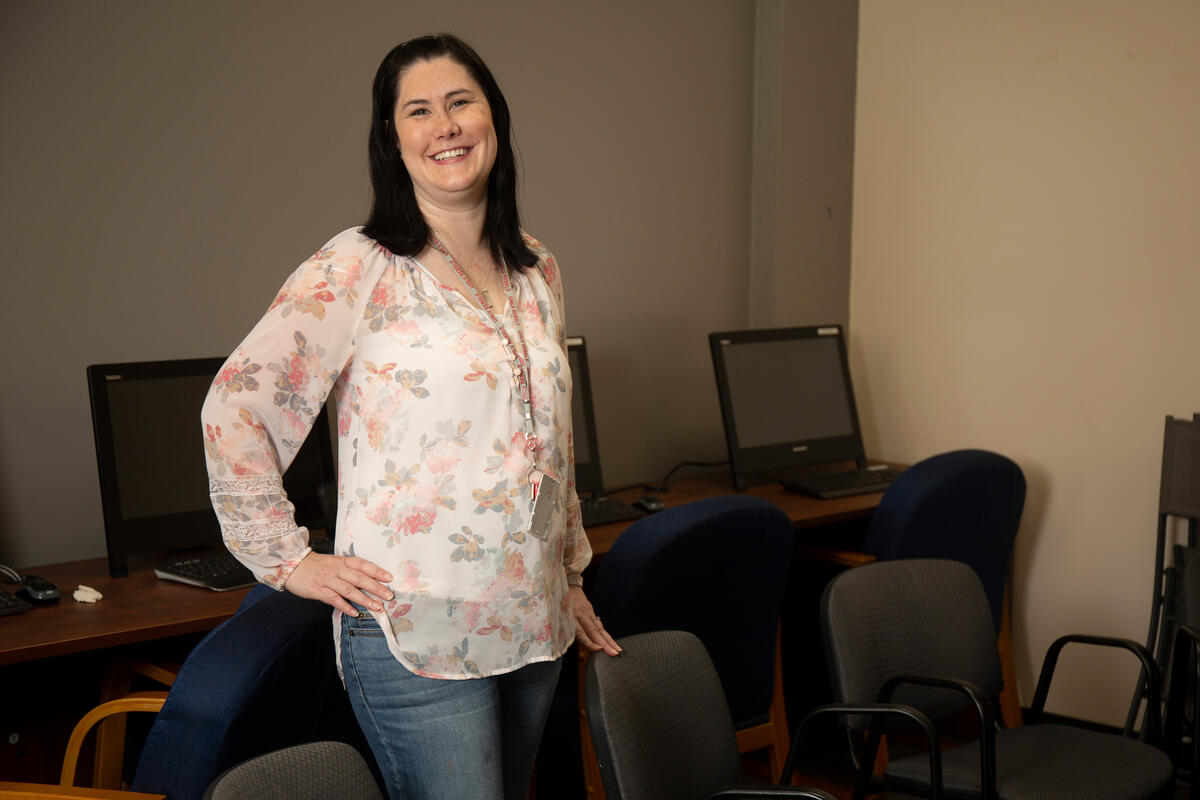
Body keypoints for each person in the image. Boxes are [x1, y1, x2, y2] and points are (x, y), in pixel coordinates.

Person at [201, 33, 620, 800]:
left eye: (461, 102)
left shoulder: (537, 267)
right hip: (412, 627)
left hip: (531, 619)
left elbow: (546, 438)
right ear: (393, 142)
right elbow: (235, 407)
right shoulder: (358, 266)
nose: (446, 125)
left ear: (493, 117)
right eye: (419, 111)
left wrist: (568, 574)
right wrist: (288, 559)